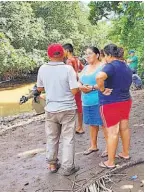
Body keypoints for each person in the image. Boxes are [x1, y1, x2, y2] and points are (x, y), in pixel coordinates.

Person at [37, 43, 80, 176]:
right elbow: (74, 90)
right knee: (68, 138)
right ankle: (68, 168)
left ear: (48, 55)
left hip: (51, 109)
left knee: (51, 137)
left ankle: (52, 164)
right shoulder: (68, 69)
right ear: (63, 54)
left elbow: (39, 89)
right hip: (67, 108)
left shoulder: (42, 68)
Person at [96, 44, 132, 169]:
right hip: (125, 100)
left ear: (109, 55)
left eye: (104, 56)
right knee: (124, 128)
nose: (104, 58)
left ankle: (110, 162)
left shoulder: (110, 66)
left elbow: (99, 76)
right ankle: (125, 153)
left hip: (111, 102)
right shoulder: (125, 66)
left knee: (112, 132)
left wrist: (102, 89)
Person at [79, 46, 106, 155]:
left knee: (104, 124)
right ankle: (93, 145)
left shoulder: (102, 67)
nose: (87, 56)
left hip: (99, 100)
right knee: (92, 124)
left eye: (90, 53)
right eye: (86, 54)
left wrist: (92, 87)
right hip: (86, 101)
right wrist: (81, 87)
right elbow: (79, 81)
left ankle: (108, 148)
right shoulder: (85, 68)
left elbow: (106, 84)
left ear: (97, 55)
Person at [63, 43, 84, 134]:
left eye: (63, 51)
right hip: (78, 86)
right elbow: (83, 69)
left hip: (72, 86)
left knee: (70, 106)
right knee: (79, 105)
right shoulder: (77, 59)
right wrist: (80, 80)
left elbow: (71, 74)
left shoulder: (68, 61)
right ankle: (80, 126)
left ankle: (73, 127)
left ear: (67, 51)